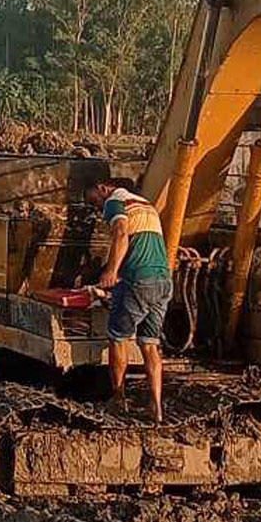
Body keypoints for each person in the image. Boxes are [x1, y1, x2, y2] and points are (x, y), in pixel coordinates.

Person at [86, 176, 172, 422]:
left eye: (95, 203)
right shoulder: (147, 205)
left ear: (104, 188)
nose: (99, 210)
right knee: (149, 344)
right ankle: (155, 406)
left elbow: (122, 233)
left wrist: (111, 271)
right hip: (163, 280)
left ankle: (118, 399)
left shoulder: (115, 201)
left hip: (138, 279)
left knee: (118, 338)